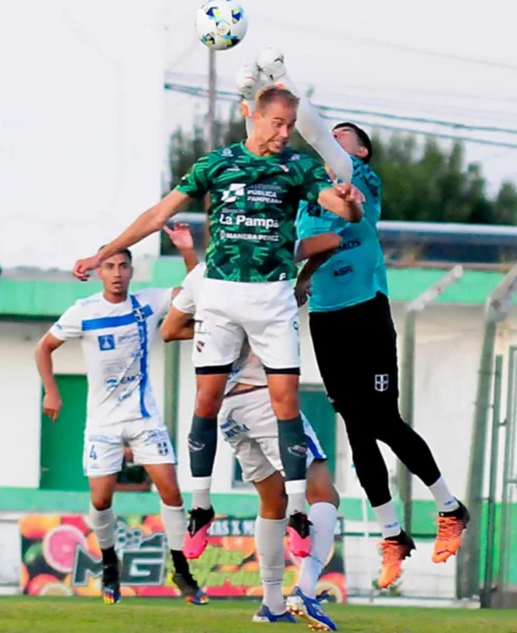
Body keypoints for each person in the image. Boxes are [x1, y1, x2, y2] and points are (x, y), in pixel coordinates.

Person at [72, 86, 366, 560]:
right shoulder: (217, 163)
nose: (285, 133)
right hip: (221, 297)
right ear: (255, 118)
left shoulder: (298, 167)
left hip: (272, 298)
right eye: (278, 124)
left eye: (291, 126)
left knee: (286, 402)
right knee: (206, 401)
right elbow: (157, 214)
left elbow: (343, 212)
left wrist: (350, 202)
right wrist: (103, 253)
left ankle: (296, 511)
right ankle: (202, 508)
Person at [254, 48, 473, 590]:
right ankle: (393, 533)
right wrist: (304, 276)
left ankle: (450, 507)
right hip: (327, 318)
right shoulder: (312, 195)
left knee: (380, 419)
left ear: (361, 149)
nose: (334, 138)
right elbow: (309, 244)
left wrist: (282, 81)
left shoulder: (360, 180)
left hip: (366, 312)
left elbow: (320, 139)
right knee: (358, 429)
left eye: (344, 134)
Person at [161, 262, 341, 631]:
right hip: (265, 400)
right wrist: (304, 279)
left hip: (226, 408)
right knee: (324, 493)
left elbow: (169, 329)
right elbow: (328, 241)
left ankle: (272, 602)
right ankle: (305, 591)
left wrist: (220, 330)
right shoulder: (270, 261)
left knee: (272, 501)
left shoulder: (203, 273)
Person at [35, 224, 207, 606]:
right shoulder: (84, 311)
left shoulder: (148, 302)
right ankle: (110, 564)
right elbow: (43, 347)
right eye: (109, 266)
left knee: (172, 493)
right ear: (100, 272)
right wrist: (52, 390)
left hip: (145, 418)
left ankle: (181, 571)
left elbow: (199, 291)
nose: (116, 273)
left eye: (123, 265)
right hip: (103, 422)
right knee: (100, 500)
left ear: (131, 271)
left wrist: (186, 250)